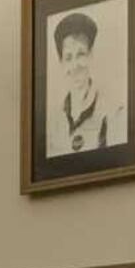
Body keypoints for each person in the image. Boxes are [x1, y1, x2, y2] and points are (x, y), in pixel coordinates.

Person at [44, 9, 124, 157]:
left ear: (91, 54)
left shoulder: (113, 113)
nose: (75, 65)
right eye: (68, 57)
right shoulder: (52, 123)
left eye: (80, 54)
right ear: (61, 63)